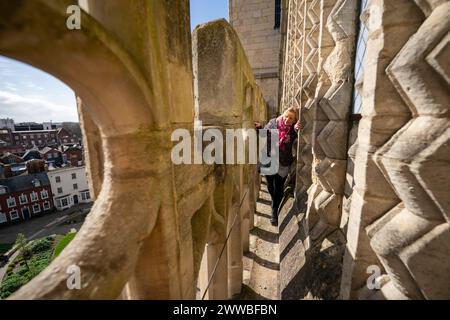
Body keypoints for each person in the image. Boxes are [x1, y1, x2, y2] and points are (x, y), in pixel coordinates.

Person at [255, 107, 301, 226]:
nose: (288, 119)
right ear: (283, 115)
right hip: (269, 158)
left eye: (291, 118)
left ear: (295, 120)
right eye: (286, 116)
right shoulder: (273, 123)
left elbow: (296, 136)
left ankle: (274, 210)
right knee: (270, 185)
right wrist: (259, 128)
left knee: (279, 186)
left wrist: (296, 130)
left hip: (283, 162)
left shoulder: (293, 130)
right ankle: (274, 201)